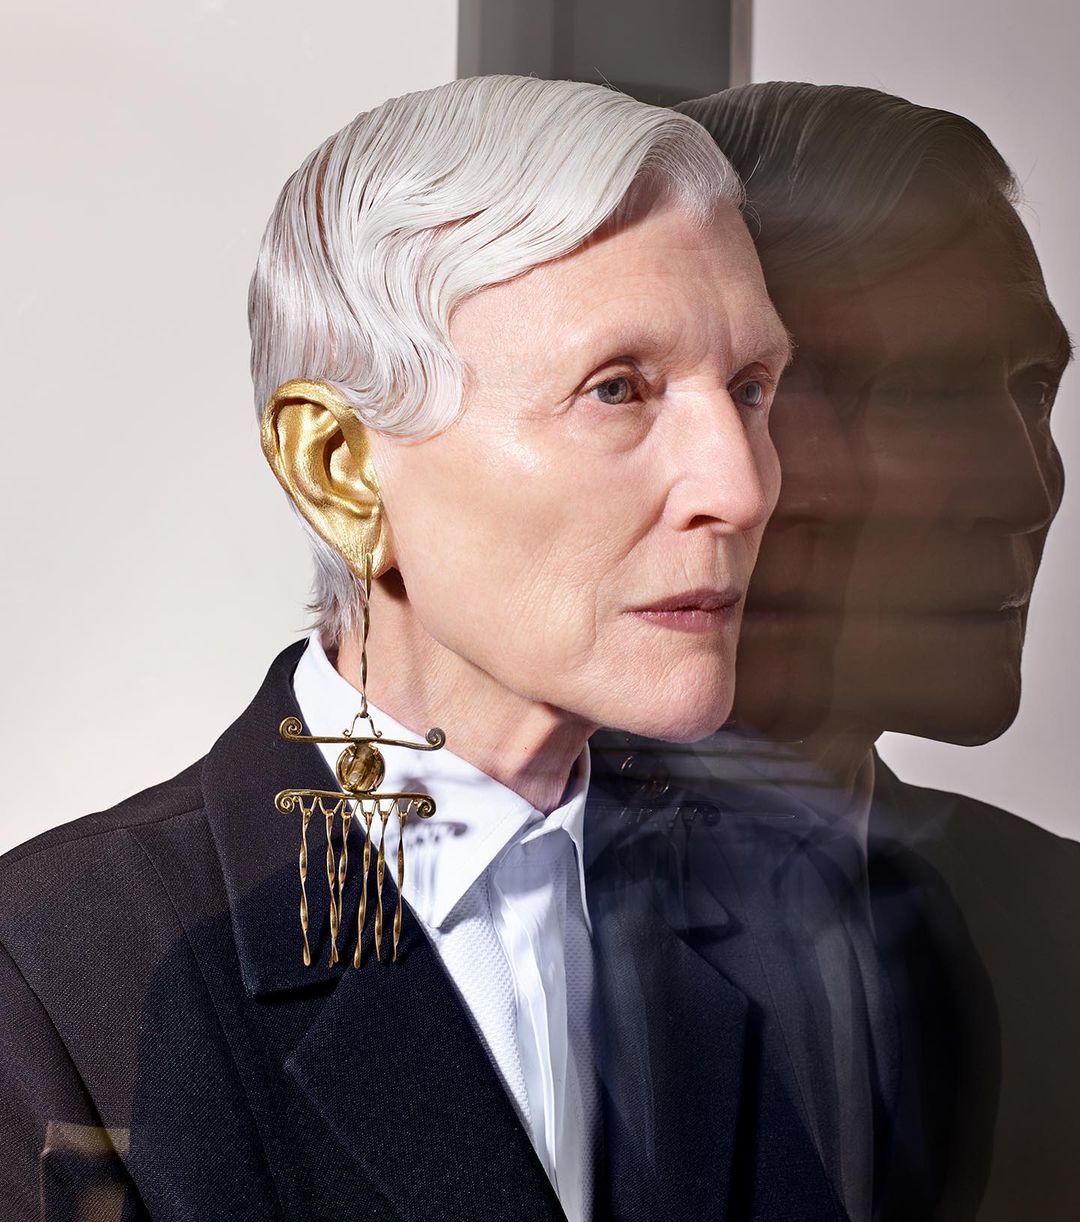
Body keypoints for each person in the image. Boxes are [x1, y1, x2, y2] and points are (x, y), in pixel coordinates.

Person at [0, 75, 807, 1221]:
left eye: (752, 387)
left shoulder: (790, 915)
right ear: (340, 468)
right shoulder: (53, 974)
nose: (741, 486)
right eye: (617, 389)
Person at [591, 82, 1076, 1221]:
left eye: (1035, 388)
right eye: (923, 393)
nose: (1029, 486)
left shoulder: (1058, 929)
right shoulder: (431, 933)